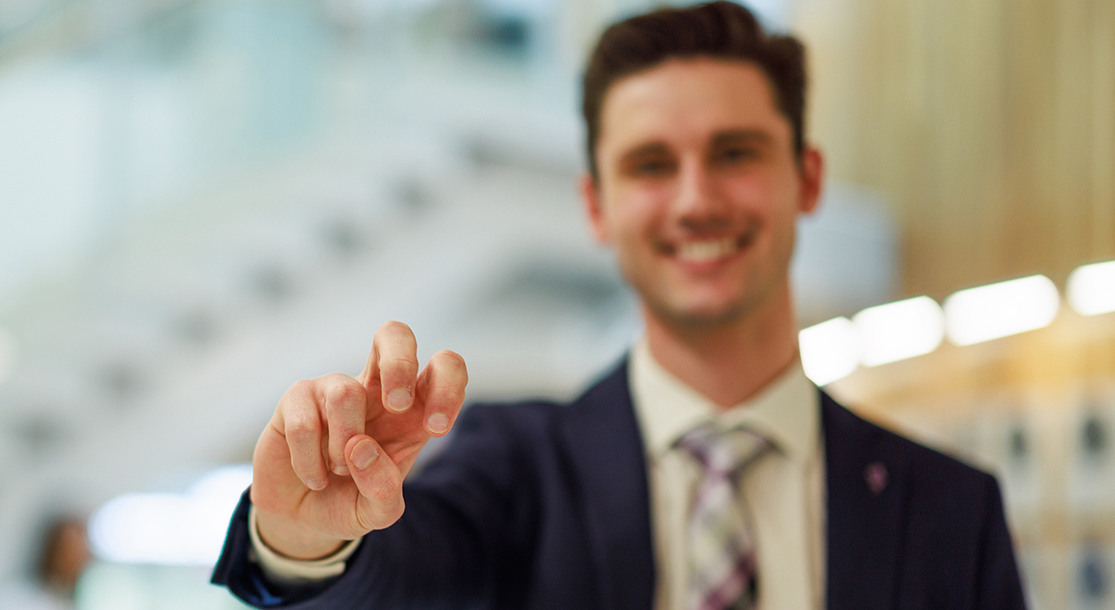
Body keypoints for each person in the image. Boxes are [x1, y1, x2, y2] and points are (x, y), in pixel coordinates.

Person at [209, 3, 1026, 609]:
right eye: (650, 165)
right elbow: (408, 578)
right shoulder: (515, 467)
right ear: (595, 206)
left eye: (735, 153)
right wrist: (311, 543)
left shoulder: (953, 509)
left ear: (806, 179)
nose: (697, 199)